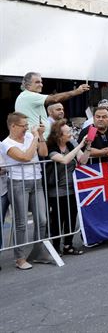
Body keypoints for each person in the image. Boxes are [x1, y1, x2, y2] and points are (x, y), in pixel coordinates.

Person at [0, 113, 50, 270]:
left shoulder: (30, 136)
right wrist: (35, 137)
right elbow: (26, 157)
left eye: (27, 125)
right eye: (24, 126)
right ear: (13, 126)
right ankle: (19, 258)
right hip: (17, 183)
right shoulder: (6, 144)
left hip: (37, 181)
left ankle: (38, 252)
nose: (27, 128)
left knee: (42, 219)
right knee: (21, 222)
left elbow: (43, 153)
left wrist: (40, 136)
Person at [46, 119, 91, 255]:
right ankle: (55, 246)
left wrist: (87, 146)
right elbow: (64, 160)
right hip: (57, 189)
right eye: (68, 132)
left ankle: (68, 245)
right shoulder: (51, 147)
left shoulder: (71, 145)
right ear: (59, 135)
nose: (71, 134)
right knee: (58, 219)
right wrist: (80, 144)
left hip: (72, 188)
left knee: (71, 217)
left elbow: (82, 160)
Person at [15, 72, 90, 139]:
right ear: (28, 85)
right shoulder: (28, 95)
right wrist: (77, 91)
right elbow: (55, 99)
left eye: (41, 82)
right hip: (34, 139)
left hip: (38, 139)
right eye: (37, 82)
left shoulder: (27, 96)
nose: (41, 85)